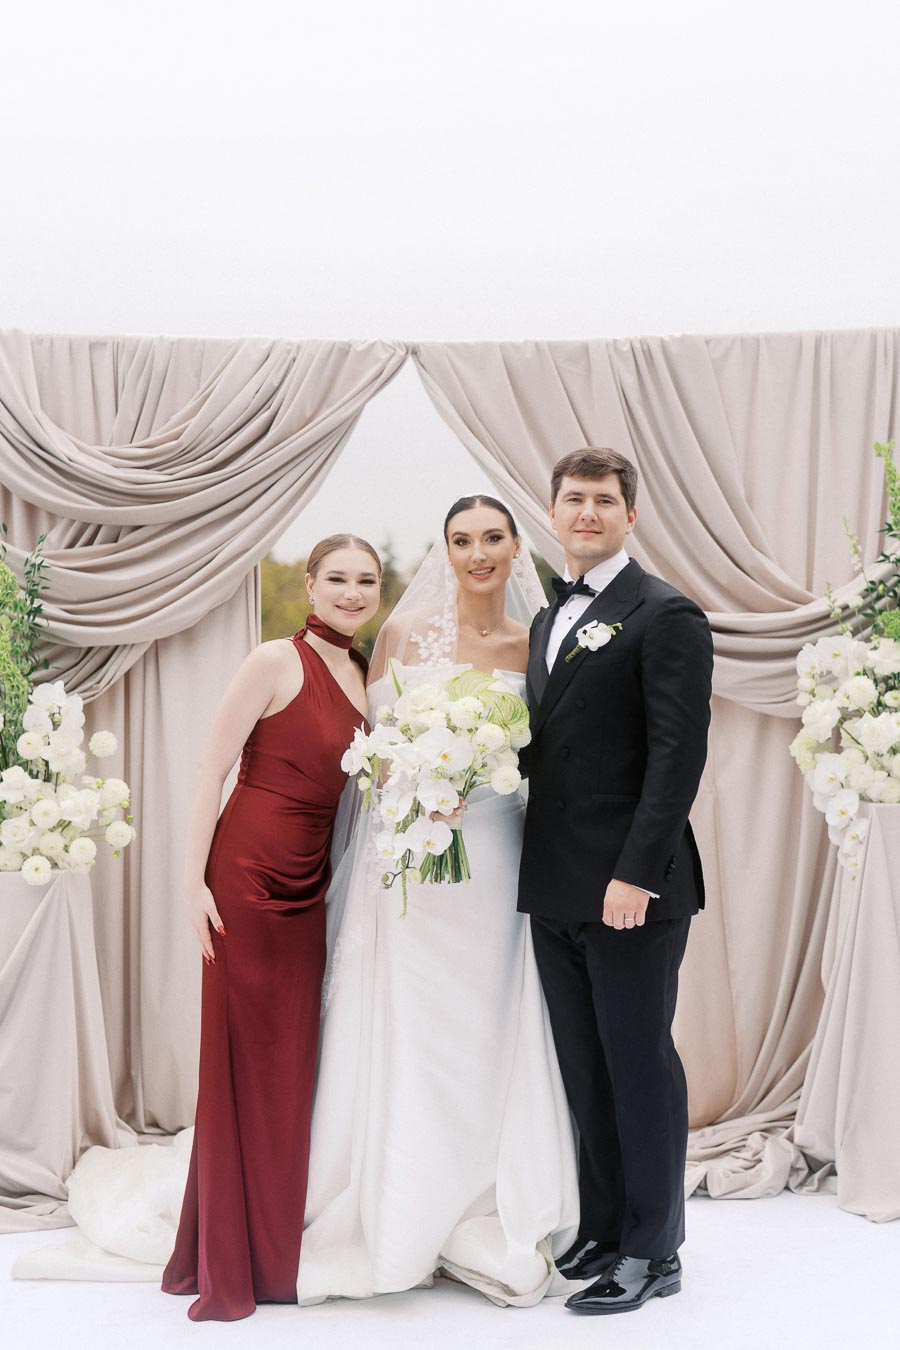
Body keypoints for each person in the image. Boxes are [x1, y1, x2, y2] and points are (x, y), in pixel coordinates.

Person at [297, 496, 580, 1308]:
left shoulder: (536, 644)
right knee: (412, 1023)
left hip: (496, 858)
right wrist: (419, 790)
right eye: (461, 541)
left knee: (487, 1020)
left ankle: (486, 1199)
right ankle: (399, 1203)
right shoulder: (400, 634)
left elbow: (549, 757)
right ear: (445, 551)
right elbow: (376, 751)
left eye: (492, 538)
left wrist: (479, 783)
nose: (477, 553)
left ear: (516, 547)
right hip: (413, 862)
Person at [161, 534, 382, 1321]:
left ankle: (272, 1241)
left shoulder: (364, 674)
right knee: (241, 1061)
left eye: (366, 581)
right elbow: (208, 768)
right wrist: (192, 882)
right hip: (247, 879)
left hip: (312, 885)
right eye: (338, 580)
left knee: (290, 1063)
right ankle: (229, 1259)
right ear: (311, 586)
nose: (352, 593)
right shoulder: (273, 661)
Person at [518, 448, 713, 1316]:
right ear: (552, 513)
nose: (587, 512)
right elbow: (551, 744)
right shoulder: (545, 619)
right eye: (573, 498)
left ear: (630, 516)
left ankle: (654, 1249)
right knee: (584, 1065)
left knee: (638, 1062)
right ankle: (604, 1224)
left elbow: (677, 758)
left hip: (634, 886)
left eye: (604, 500)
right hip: (554, 882)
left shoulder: (664, 613)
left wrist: (635, 875)